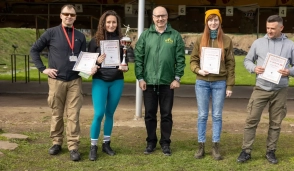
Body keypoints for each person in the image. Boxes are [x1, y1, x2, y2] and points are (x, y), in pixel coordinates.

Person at [236, 15, 294, 164]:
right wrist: (254, 68)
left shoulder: (290, 45)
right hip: (261, 88)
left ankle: (271, 151)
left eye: (273, 28)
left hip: (280, 90)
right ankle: (246, 151)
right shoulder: (258, 43)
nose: (269, 31)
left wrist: (290, 71)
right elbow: (247, 60)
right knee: (251, 120)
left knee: (276, 122)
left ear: (281, 28)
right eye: (267, 28)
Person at [30, 4, 87, 161]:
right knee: (57, 113)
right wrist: (43, 69)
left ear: (75, 17)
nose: (69, 16)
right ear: (61, 15)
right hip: (56, 80)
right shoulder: (51, 33)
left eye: (72, 14)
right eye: (66, 13)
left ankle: (73, 146)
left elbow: (83, 59)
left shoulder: (81, 36)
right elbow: (34, 50)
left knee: (73, 114)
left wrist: (89, 69)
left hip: (75, 80)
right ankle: (56, 142)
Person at [134, 6, 186, 156]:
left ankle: (165, 143)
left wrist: (177, 78)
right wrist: (140, 77)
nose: (160, 19)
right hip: (148, 83)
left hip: (167, 83)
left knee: (166, 114)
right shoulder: (145, 35)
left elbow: (180, 59)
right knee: (149, 114)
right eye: (157, 16)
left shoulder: (175, 36)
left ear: (167, 17)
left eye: (163, 16)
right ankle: (151, 142)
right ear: (153, 18)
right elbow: (139, 58)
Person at [190, 9, 235, 160]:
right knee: (202, 115)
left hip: (219, 83)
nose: (213, 23)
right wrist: (198, 70)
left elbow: (230, 65)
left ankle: (216, 146)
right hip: (202, 82)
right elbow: (193, 60)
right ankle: (200, 146)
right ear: (206, 22)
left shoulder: (227, 40)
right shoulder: (199, 39)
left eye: (216, 20)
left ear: (220, 21)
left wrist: (229, 86)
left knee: (217, 115)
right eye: (210, 20)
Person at [87, 10, 128, 161]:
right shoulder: (94, 41)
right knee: (98, 114)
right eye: (108, 22)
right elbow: (87, 62)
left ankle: (106, 144)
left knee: (110, 113)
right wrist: (96, 62)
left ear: (117, 24)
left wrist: (125, 67)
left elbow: (126, 61)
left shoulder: (123, 41)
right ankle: (93, 146)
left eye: (114, 22)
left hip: (117, 81)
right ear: (103, 24)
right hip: (100, 81)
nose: (111, 25)